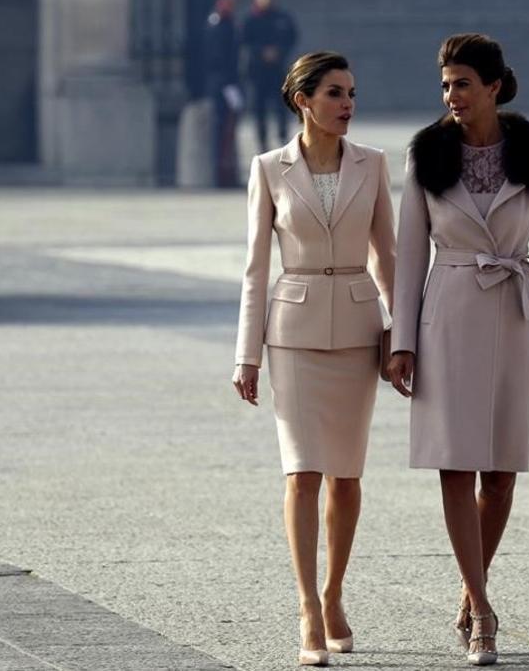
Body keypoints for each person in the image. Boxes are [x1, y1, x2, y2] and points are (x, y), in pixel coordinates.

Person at [386, 33, 529, 666]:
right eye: (445, 86)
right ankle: (483, 609)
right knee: (455, 461)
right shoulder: (426, 155)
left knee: (500, 474)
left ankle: (471, 594)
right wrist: (403, 342)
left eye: (463, 83)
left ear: (494, 86)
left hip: (516, 316)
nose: (451, 96)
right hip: (447, 316)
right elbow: (409, 257)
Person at [232, 51, 395, 667]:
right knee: (301, 473)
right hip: (293, 332)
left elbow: (389, 257)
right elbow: (254, 269)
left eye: (352, 92)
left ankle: (334, 594)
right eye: (334, 93)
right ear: (304, 101)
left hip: (356, 329)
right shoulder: (269, 169)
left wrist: (400, 335)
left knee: (347, 477)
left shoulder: (374, 164)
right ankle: (306, 605)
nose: (347, 103)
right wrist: (246, 355)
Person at [243, 0, 299, 153]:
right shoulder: (251, 20)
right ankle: (262, 141)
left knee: (281, 105)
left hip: (277, 70)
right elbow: (245, 41)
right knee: (259, 108)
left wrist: (279, 52)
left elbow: (291, 37)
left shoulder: (282, 18)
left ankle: (282, 136)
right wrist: (261, 52)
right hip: (258, 71)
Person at [204, 0, 243, 188]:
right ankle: (221, 173)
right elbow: (218, 57)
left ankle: (228, 171)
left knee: (229, 127)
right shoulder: (217, 24)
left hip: (229, 82)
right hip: (222, 84)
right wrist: (229, 84)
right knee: (222, 128)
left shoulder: (229, 22)